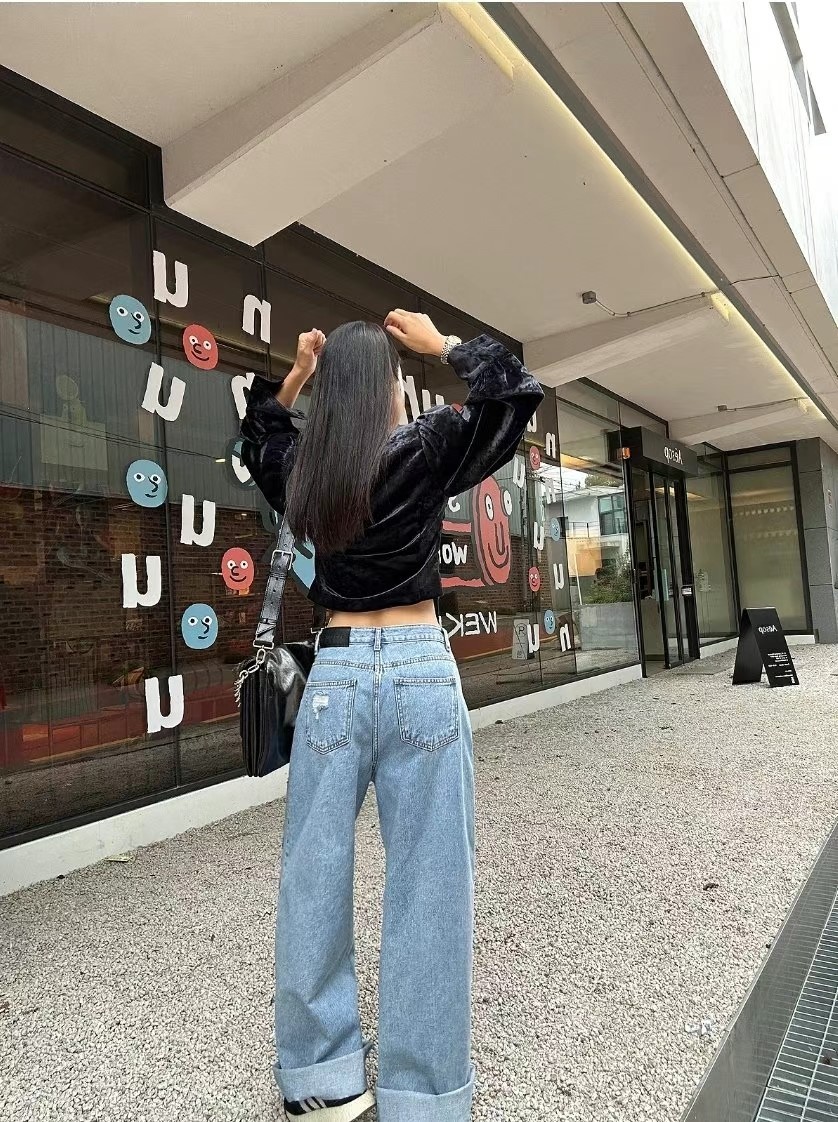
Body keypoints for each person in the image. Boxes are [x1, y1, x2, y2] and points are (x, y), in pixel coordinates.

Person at [240, 311, 543, 1122]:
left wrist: (297, 375)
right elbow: (514, 396)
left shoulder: (307, 471)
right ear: (387, 386)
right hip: (418, 670)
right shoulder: (426, 446)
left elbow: (260, 435)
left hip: (335, 677)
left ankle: (320, 1078)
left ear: (334, 393)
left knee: (313, 877)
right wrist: (443, 346)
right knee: (431, 884)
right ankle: (424, 1097)